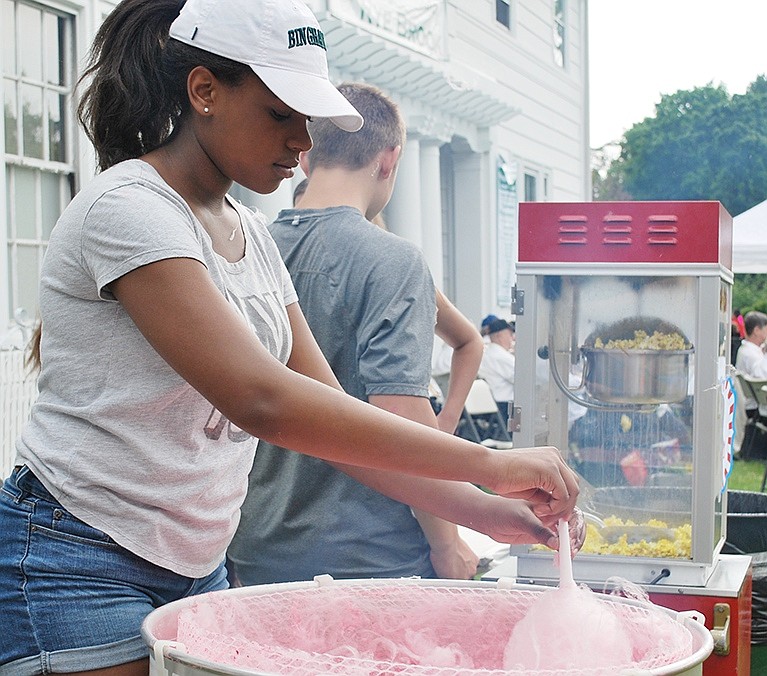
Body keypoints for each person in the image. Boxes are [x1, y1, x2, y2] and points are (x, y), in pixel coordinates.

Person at [0, 0, 582, 673]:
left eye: (307, 119)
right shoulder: (128, 209)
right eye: (281, 114)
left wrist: (482, 510)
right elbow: (264, 401)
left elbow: (342, 432)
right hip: (80, 555)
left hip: (197, 561)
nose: (302, 142)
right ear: (205, 90)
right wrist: (489, 464)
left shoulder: (251, 236)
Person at [228, 83, 486, 585]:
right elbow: (404, 422)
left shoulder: (246, 248)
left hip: (254, 546)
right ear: (388, 160)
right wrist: (448, 542)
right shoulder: (392, 259)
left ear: (304, 158)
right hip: (370, 556)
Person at [478, 318, 516, 421]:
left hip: (491, 407)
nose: (512, 339)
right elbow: (522, 380)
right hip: (506, 407)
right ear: (500, 335)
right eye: (510, 335)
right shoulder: (501, 356)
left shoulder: (486, 353)